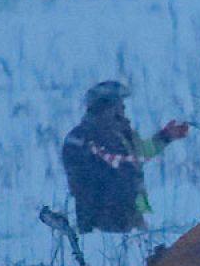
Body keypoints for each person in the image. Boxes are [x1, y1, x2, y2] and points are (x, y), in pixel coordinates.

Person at [61, 80, 190, 233]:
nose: (123, 110)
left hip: (130, 217)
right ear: (104, 108)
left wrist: (165, 137)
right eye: (119, 106)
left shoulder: (120, 134)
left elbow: (138, 154)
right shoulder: (82, 138)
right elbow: (85, 181)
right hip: (102, 222)